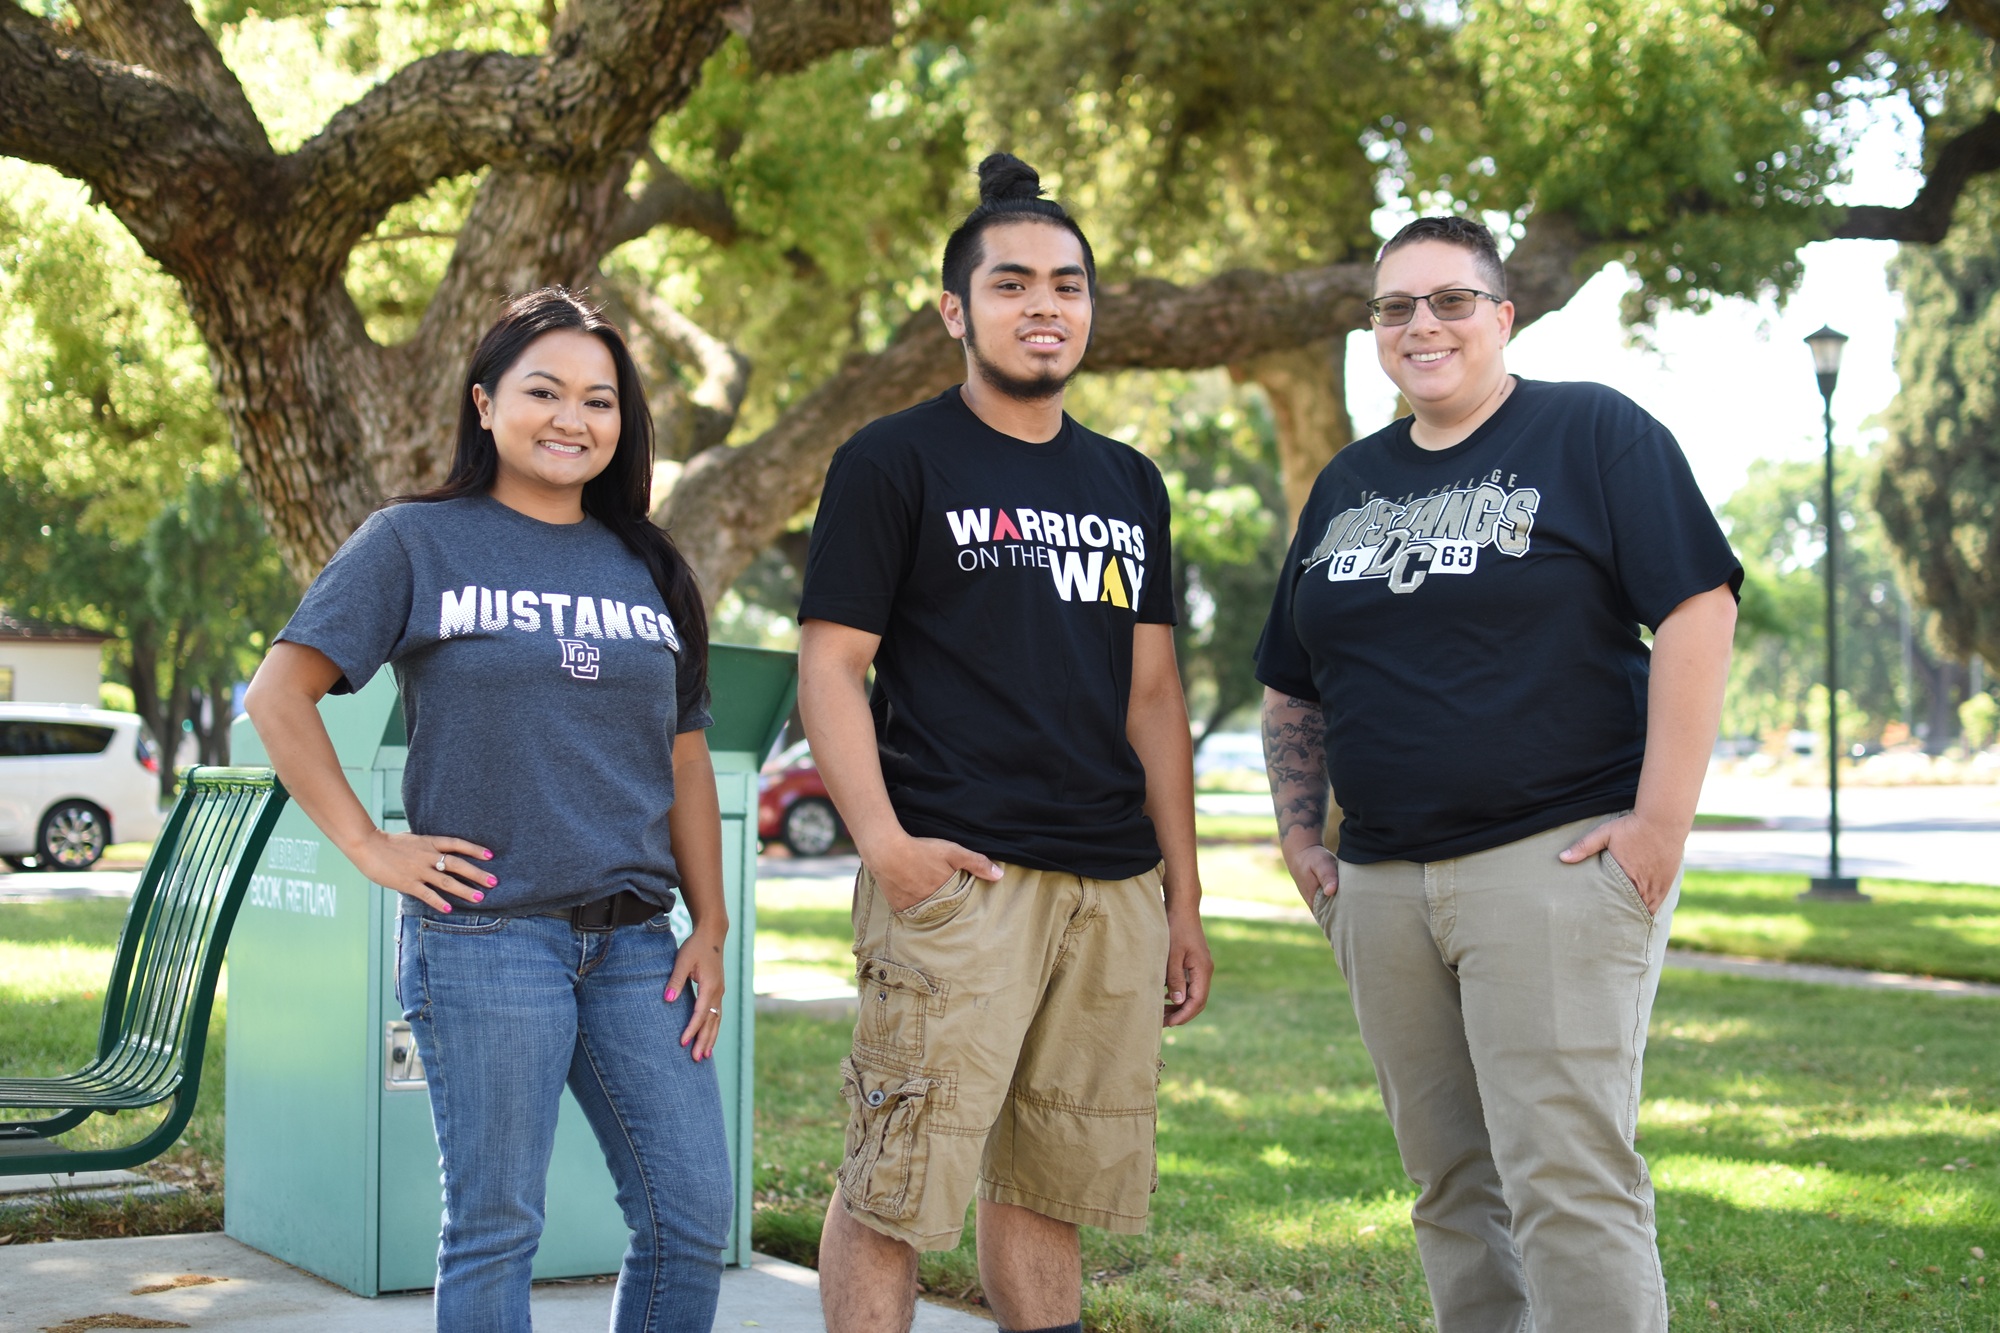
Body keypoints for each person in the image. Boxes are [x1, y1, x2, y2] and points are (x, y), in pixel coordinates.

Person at [1255, 216, 1740, 1333]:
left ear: (1501, 315)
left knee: (1568, 1182)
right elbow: (1292, 674)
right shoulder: (1346, 482)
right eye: (1393, 307)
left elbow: (1695, 606)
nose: (1419, 324)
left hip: (1551, 863)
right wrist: (1297, 838)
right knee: (1448, 1189)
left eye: (1448, 300)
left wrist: (1658, 825)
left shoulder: (1590, 432)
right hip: (1378, 883)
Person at [242, 288, 734, 1333]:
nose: (572, 418)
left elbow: (683, 755)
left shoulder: (649, 563)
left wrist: (715, 923)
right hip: (486, 936)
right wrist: (367, 844)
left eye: (598, 400)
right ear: (484, 403)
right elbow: (276, 694)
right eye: (543, 391)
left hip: (638, 943)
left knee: (690, 1212)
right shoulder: (415, 542)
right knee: (497, 1224)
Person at [799, 153, 1215, 1333]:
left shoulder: (1128, 480)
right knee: (895, 1182)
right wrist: (884, 846)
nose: (1046, 305)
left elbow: (1151, 697)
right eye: (1013, 282)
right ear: (954, 310)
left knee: (1051, 1183)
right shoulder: (892, 461)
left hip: (1109, 883)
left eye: (1070, 284)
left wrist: (1178, 898)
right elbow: (831, 664)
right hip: (960, 877)